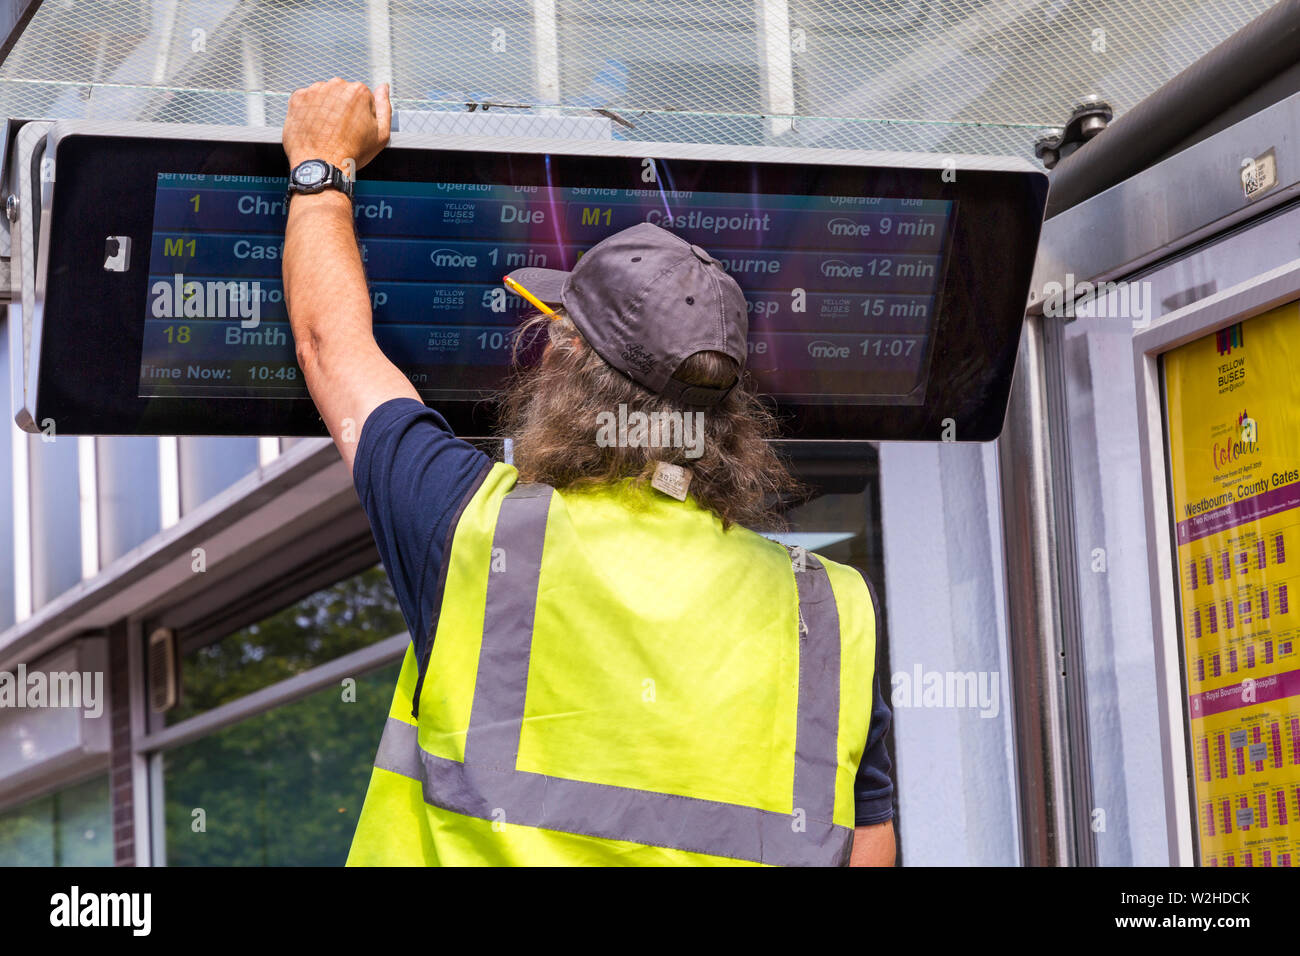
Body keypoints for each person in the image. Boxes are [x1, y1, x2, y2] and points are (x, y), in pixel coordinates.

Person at [281, 77, 895, 866]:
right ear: (729, 413)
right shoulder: (833, 610)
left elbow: (332, 347)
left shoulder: (472, 532)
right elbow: (868, 845)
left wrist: (321, 167)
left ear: (565, 367)